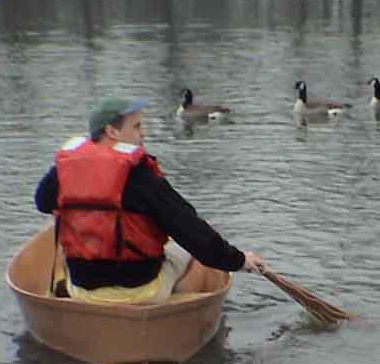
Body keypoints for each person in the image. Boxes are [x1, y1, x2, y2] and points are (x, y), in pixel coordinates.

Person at [35, 96, 262, 304]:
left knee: (64, 230)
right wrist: (240, 261)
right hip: (141, 292)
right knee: (197, 246)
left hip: (83, 291)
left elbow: (43, 202)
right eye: (137, 126)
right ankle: (177, 308)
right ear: (112, 131)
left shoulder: (63, 170)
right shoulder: (141, 175)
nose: (143, 134)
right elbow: (195, 234)